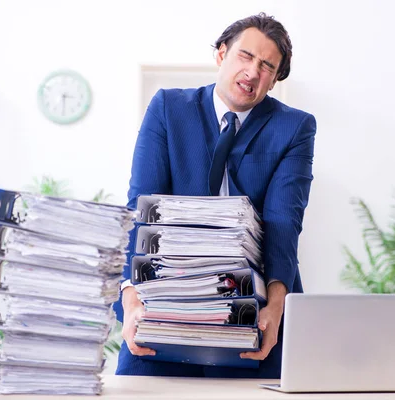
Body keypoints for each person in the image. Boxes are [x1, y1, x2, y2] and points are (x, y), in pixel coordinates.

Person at [113, 12, 316, 379]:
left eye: (267, 66)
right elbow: (139, 208)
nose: (253, 72)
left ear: (274, 79)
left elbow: (285, 222)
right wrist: (131, 299)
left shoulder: (294, 127)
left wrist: (275, 306)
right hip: (166, 305)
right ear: (222, 54)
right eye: (245, 56)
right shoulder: (168, 108)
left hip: (255, 313)